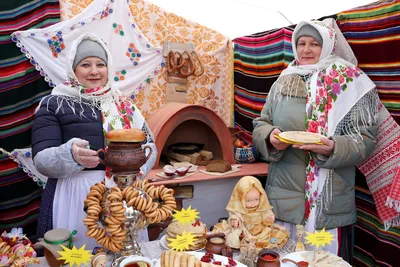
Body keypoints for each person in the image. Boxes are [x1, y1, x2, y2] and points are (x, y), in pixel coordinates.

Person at [252, 18, 379, 260]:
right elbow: (261, 122)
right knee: (286, 259)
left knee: (324, 262)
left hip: (329, 198)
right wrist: (270, 137)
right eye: (301, 43)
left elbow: (365, 137)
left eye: (314, 44)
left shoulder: (349, 82)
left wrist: (333, 147)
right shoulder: (284, 80)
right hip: (286, 196)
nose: (306, 50)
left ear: (328, 45)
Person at [31, 33, 157, 249]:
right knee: (80, 254)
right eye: (85, 64)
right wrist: (70, 155)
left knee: (124, 253)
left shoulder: (124, 105)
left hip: (122, 196)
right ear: (73, 68)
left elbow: (149, 147)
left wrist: (136, 168)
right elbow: (41, 159)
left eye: (100, 64)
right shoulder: (54, 104)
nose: (94, 71)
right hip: (74, 195)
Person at [225, 176, 288, 249]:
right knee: (234, 238)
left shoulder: (262, 207)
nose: (253, 203)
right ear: (240, 199)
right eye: (248, 201)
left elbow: (267, 214)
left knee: (274, 236)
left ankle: (268, 243)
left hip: (262, 232)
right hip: (245, 233)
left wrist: (269, 217)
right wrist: (235, 221)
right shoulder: (239, 209)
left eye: (256, 199)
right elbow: (234, 216)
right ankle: (246, 245)